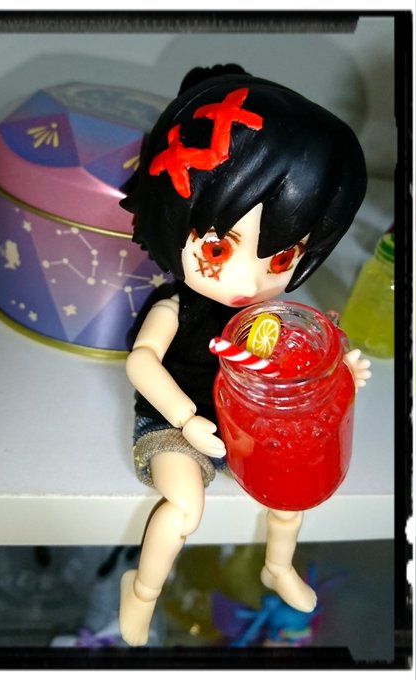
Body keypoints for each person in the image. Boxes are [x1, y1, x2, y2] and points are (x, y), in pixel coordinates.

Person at [117, 65, 371, 646]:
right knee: (185, 504)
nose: (250, 281)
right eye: (217, 249)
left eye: (280, 259)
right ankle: (142, 590)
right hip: (178, 421)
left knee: (292, 493)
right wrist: (186, 418)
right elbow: (141, 363)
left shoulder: (269, 320)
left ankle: (277, 566)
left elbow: (295, 370)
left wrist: (336, 375)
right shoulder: (177, 307)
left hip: (246, 426)